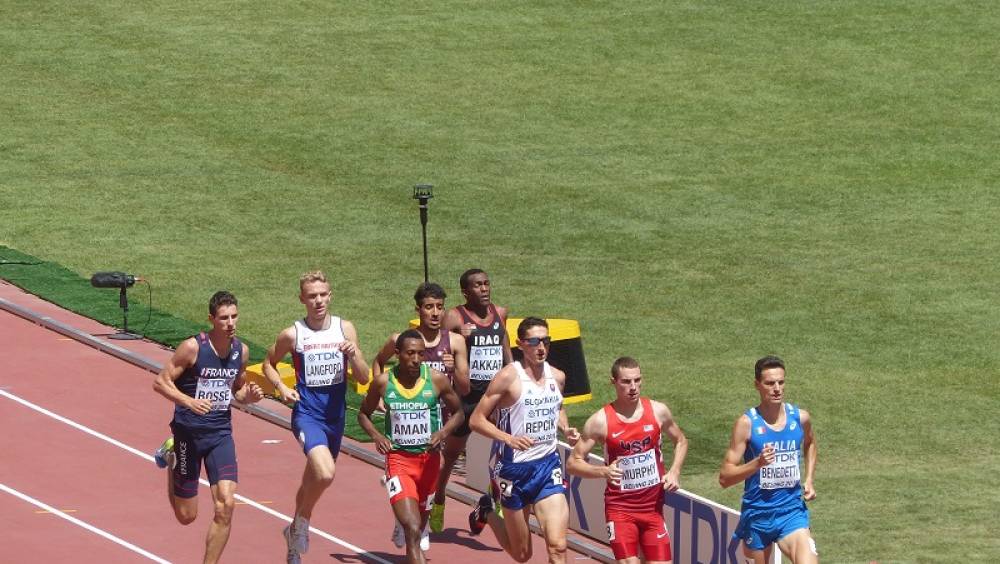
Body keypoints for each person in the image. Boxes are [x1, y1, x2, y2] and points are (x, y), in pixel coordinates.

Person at [261, 271, 371, 564]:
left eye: (323, 294)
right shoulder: (293, 334)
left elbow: (363, 376)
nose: (318, 300)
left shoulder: (345, 329)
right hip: (308, 415)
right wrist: (281, 387)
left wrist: (355, 354)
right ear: (302, 299)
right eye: (312, 296)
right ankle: (303, 524)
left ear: (330, 295)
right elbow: (268, 364)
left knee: (313, 479)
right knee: (324, 473)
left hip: (335, 418)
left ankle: (294, 530)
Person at [151, 290, 264, 564]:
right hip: (188, 435)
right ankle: (170, 456)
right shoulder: (193, 348)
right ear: (211, 319)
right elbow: (160, 382)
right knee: (186, 516)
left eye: (234, 316)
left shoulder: (241, 351)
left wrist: (246, 398)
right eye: (224, 318)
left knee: (226, 504)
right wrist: (188, 401)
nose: (230, 323)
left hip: (220, 435)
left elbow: (235, 391)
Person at [467, 317, 580, 564]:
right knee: (522, 554)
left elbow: (557, 407)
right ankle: (487, 509)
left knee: (558, 547)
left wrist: (565, 427)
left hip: (547, 465)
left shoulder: (557, 376)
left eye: (546, 341)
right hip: (512, 470)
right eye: (534, 341)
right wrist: (508, 438)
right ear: (520, 344)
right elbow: (476, 420)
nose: (541, 347)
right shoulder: (508, 377)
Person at [371, 282, 469, 543]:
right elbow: (379, 362)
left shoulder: (455, 341)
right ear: (419, 310)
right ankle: (411, 518)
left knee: (438, 474)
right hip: (406, 419)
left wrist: (454, 367)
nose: (435, 313)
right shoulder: (400, 340)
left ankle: (429, 505)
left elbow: (465, 387)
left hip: (441, 420)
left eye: (439, 307)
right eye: (429, 308)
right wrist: (382, 395)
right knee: (412, 516)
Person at [566, 357, 688, 564]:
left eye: (637, 380)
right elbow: (573, 463)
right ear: (613, 382)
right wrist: (602, 471)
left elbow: (681, 441)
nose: (633, 387)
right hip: (620, 510)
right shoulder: (600, 421)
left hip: (653, 510)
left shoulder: (658, 411)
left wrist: (675, 471)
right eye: (626, 382)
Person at [358, 330, 465, 564]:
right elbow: (363, 415)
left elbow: (459, 412)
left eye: (421, 353)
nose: (416, 359)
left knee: (418, 528)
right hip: (399, 462)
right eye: (410, 353)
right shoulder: (384, 383)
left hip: (429, 464)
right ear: (397, 355)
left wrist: (443, 432)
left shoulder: (436, 379)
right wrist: (377, 436)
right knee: (413, 528)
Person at [719, 355, 818, 564]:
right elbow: (725, 478)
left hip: (791, 512)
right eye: (770, 383)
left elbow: (810, 443)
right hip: (758, 515)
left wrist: (809, 478)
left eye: (781, 382)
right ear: (757, 385)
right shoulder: (746, 424)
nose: (777, 389)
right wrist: (758, 463)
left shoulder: (800, 418)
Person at [437, 268, 511, 529]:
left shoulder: (500, 313)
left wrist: (515, 378)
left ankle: (490, 503)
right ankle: (438, 498)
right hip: (467, 397)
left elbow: (506, 350)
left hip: (495, 397)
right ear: (466, 292)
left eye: (487, 283)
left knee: (506, 451)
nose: (484, 289)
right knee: (452, 454)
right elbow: (441, 352)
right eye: (478, 285)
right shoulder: (455, 317)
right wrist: (459, 340)